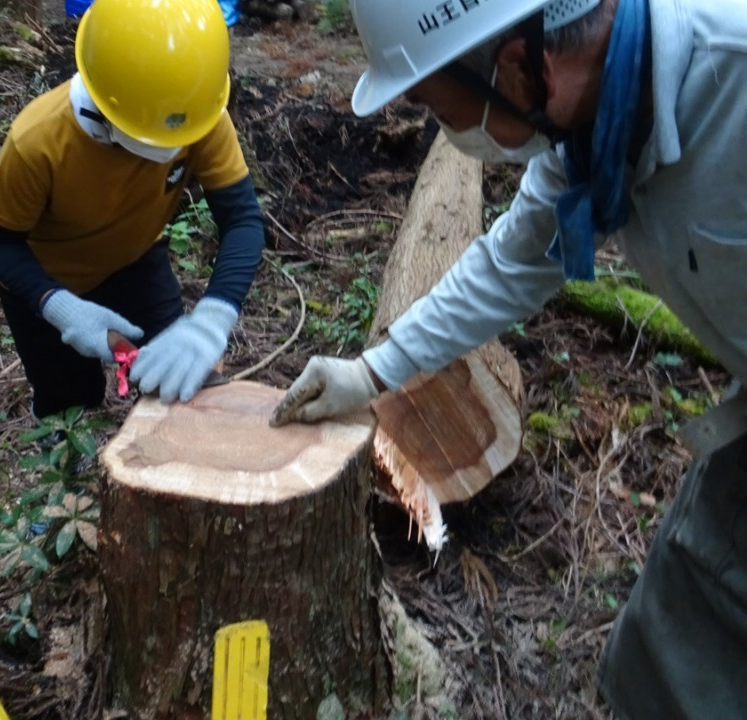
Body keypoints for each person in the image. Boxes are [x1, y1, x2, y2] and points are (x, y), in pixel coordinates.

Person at [270, 0, 747, 717]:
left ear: (520, 66)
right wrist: (370, 373)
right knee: (665, 653)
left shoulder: (734, 82)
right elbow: (511, 262)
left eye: (436, 103)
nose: (445, 129)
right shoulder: (592, 138)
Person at [0, 0, 264, 418]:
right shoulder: (38, 140)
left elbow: (241, 219)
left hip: (136, 262)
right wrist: (59, 306)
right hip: (47, 279)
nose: (162, 157)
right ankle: (68, 465)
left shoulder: (198, 116)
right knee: (69, 399)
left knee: (179, 380)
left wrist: (212, 318)